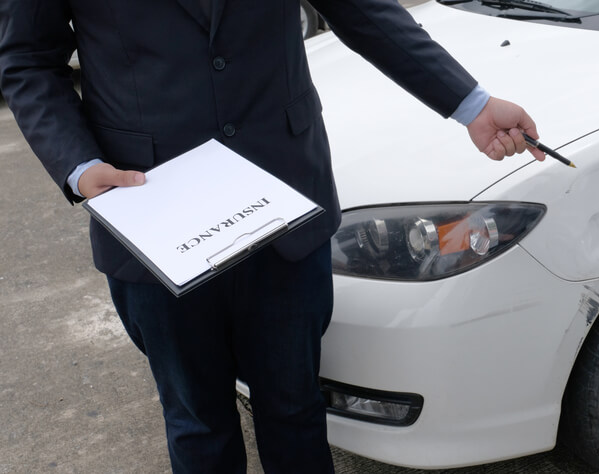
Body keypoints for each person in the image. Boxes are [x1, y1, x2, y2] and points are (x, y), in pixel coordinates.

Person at [0, 0, 545, 472]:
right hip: (153, 220)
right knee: (196, 423)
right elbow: (26, 59)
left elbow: (361, 13)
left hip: (285, 205)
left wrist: (471, 105)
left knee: (295, 409)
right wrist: (78, 166)